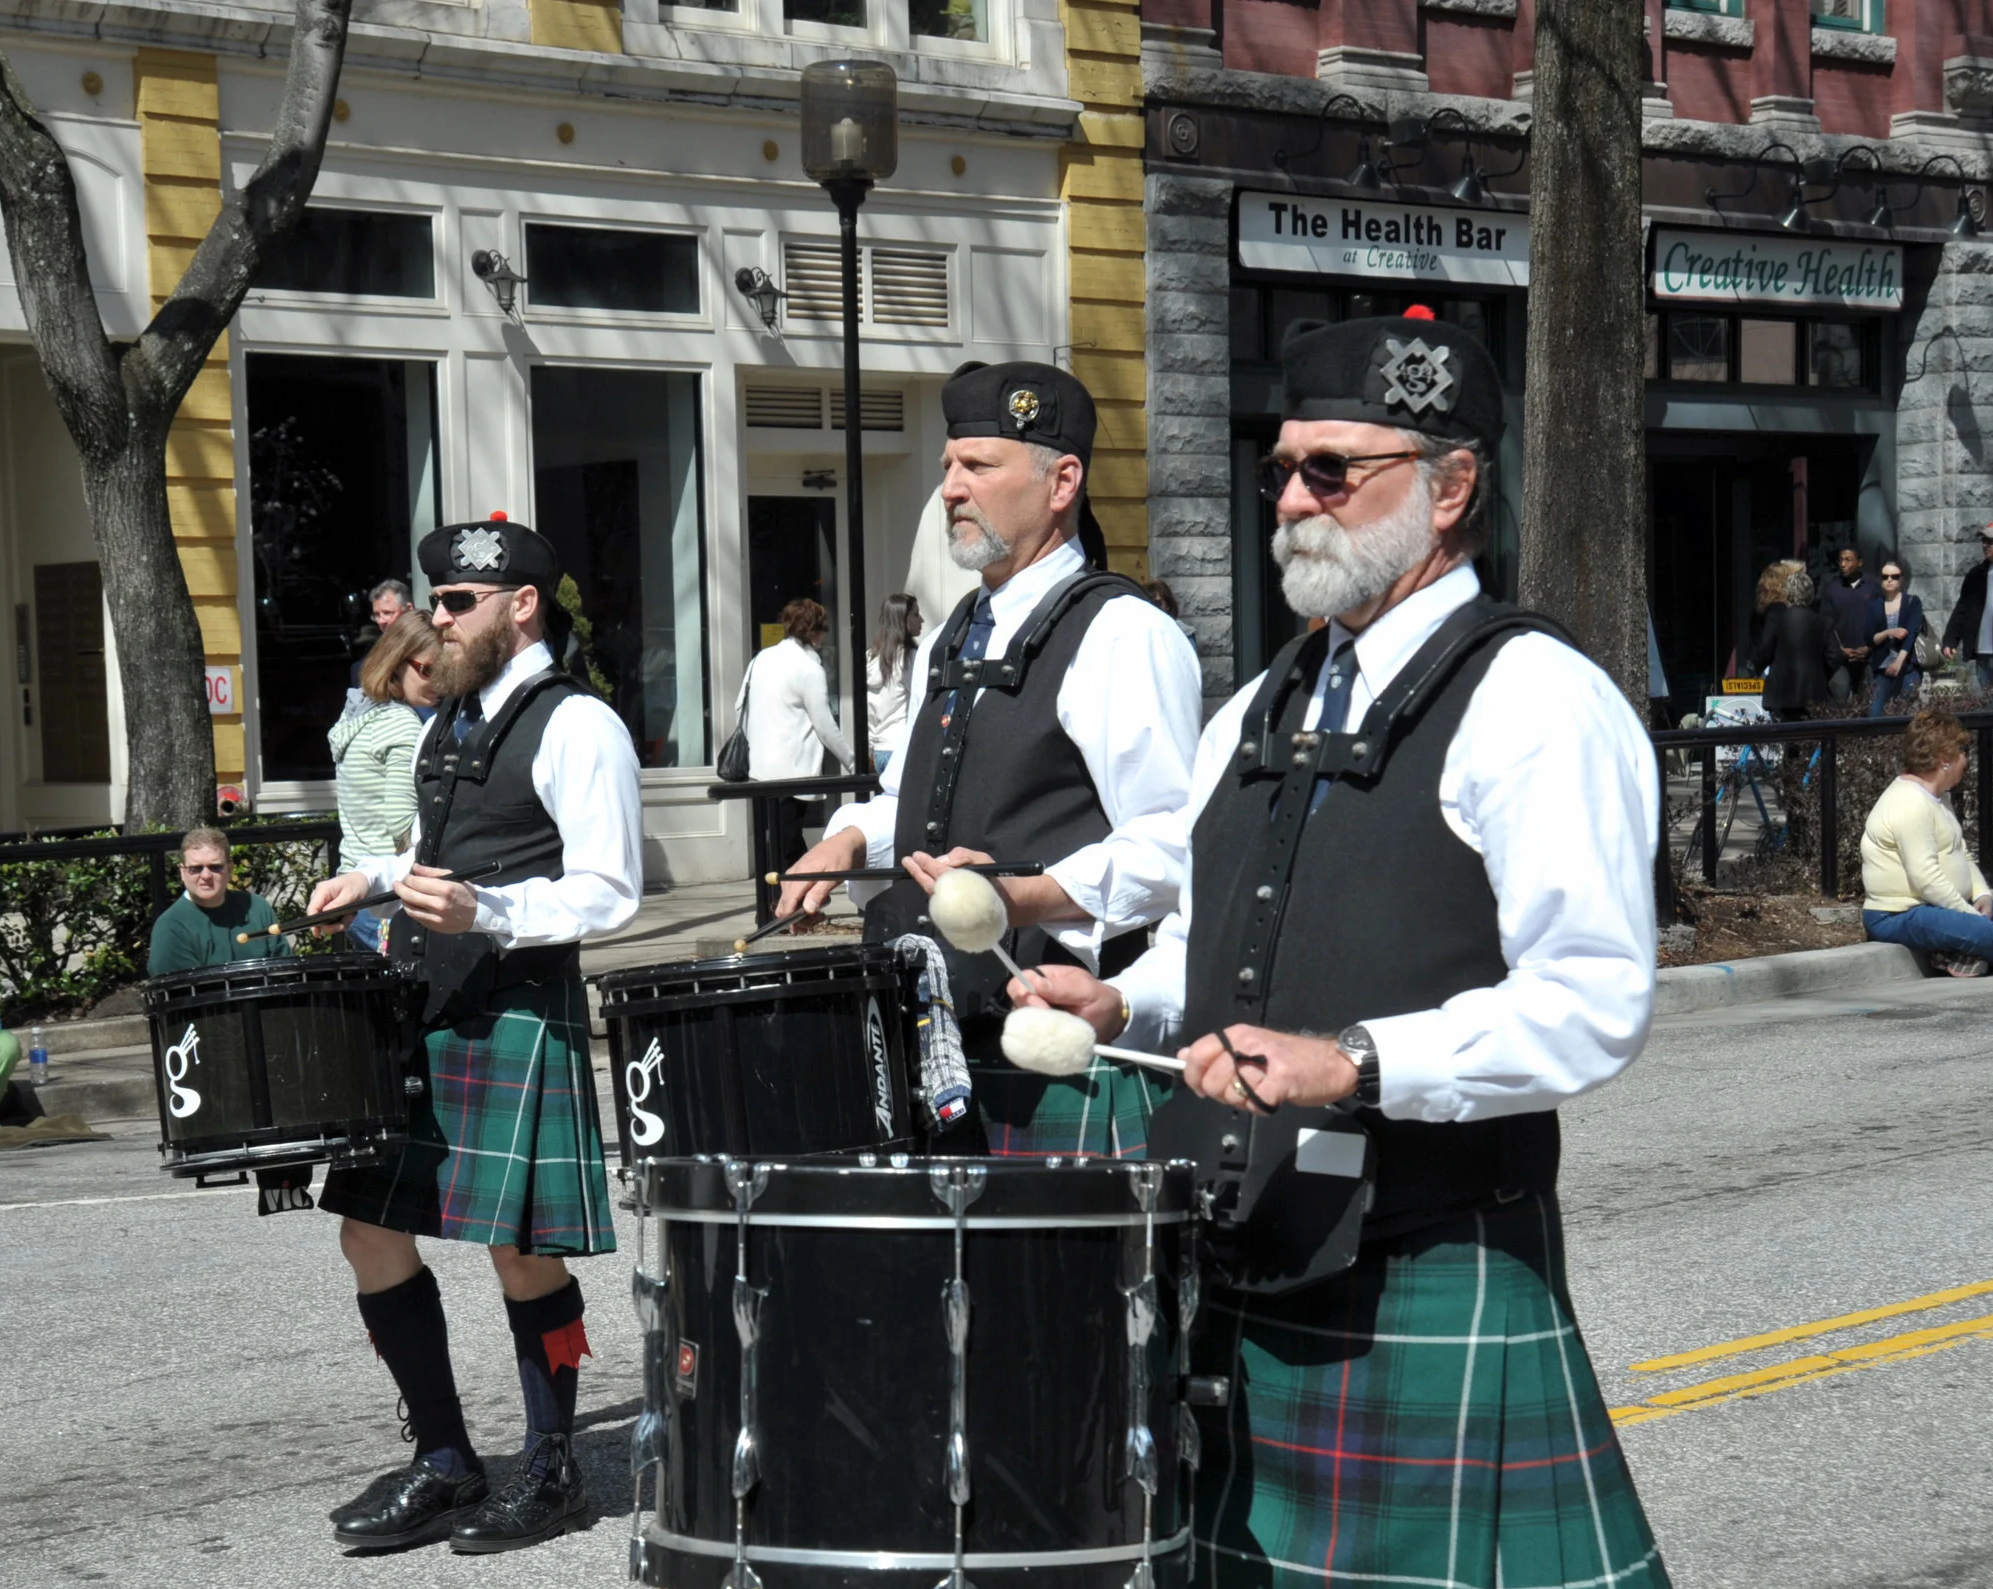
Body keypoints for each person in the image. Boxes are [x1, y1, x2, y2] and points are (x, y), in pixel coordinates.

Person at [1007, 308, 1668, 1587]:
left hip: (1423, 1256)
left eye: (1332, 470)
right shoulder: (1261, 703)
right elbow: (1204, 942)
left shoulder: (1535, 697)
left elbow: (1593, 998)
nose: (1293, 500)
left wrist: (1353, 1060)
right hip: (1244, 1248)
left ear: (1451, 486)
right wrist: (1119, 1004)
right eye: (1281, 471)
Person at [303, 515, 643, 1556]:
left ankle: (549, 1465)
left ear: (521, 604)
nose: (432, 617)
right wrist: (368, 877)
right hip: (427, 997)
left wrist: (490, 913)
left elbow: (611, 888)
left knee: (518, 1248)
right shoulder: (450, 717)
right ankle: (446, 1457)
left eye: (455, 603)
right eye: (433, 598)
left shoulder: (578, 724)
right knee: (367, 1227)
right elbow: (429, 844)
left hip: (515, 1004)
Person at [778, 361, 1203, 1158]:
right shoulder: (951, 633)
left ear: (1061, 480)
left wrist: (1021, 897)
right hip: (924, 1025)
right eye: (947, 466)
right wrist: (845, 842)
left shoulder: (1123, 633)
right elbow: (912, 800)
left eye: (978, 465)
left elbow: (1176, 843)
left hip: (1048, 1039)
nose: (949, 488)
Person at [330, 611, 441, 951]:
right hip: (385, 898)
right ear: (397, 662)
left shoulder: (360, 714)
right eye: (428, 670)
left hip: (352, 883)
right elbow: (401, 823)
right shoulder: (404, 726)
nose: (440, 683)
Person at [1860, 709, 1993, 975]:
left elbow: (1961, 852)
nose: (1966, 760)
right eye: (1962, 751)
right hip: (1899, 915)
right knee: (1984, 932)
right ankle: (1962, 951)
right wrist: (1968, 915)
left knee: (1981, 929)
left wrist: (1983, 894)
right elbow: (1926, 877)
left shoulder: (1937, 796)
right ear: (1944, 759)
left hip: (1933, 907)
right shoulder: (1910, 803)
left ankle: (1960, 954)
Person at [740, 596, 857, 869]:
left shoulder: (762, 658)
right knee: (788, 844)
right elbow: (824, 725)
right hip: (793, 769)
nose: (824, 635)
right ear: (814, 632)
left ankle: (778, 902)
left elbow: (739, 707)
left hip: (759, 768)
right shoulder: (809, 670)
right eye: (823, 628)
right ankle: (784, 903)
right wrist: (852, 761)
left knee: (779, 841)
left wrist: (755, 741)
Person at [147, 827, 291, 975]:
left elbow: (286, 971)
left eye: (215, 867)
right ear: (182, 872)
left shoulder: (257, 908)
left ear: (230, 868)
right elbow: (181, 993)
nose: (206, 875)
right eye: (196, 869)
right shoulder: (171, 927)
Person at [1751, 559, 1837, 720]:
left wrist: (1756, 667)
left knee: (1787, 740)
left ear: (1788, 592)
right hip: (1814, 692)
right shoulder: (1823, 621)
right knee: (1811, 739)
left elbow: (1765, 651)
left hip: (1782, 694)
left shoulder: (1777, 619)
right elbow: (1834, 655)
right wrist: (1820, 673)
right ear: (1811, 594)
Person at [864, 592, 923, 774]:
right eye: (915, 614)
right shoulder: (908, 658)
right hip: (902, 748)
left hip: (880, 751)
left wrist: (871, 747)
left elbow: (870, 710)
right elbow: (922, 701)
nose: (922, 620)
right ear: (902, 620)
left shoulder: (871, 657)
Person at [1820, 544, 1881, 701]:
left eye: (1848, 560)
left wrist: (1869, 648)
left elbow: (1881, 621)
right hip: (1841, 660)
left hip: (1868, 657)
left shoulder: (1873, 587)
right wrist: (1840, 650)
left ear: (1860, 562)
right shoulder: (1831, 588)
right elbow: (1826, 624)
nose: (1843, 564)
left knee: (1869, 703)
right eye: (1841, 560)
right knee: (1840, 703)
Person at [1866, 555, 1924, 718]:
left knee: (1908, 715)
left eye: (1894, 576)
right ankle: (1876, 743)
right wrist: (1888, 632)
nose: (1889, 580)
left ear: (1902, 579)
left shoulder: (1912, 602)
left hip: (1908, 668)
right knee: (1874, 714)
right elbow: (1870, 639)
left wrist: (1899, 661)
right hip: (1882, 669)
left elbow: (1911, 633)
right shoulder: (1874, 606)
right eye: (1885, 577)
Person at [1940, 524, 1993, 695]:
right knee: (1987, 705)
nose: (1985, 545)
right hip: (1983, 653)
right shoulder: (1976, 575)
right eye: (1984, 541)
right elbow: (1962, 609)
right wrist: (1950, 639)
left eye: (1990, 541)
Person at [351, 578, 416, 685]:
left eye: (387, 613)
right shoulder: (365, 665)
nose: (381, 621)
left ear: (409, 609)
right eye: (376, 615)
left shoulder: (427, 641)